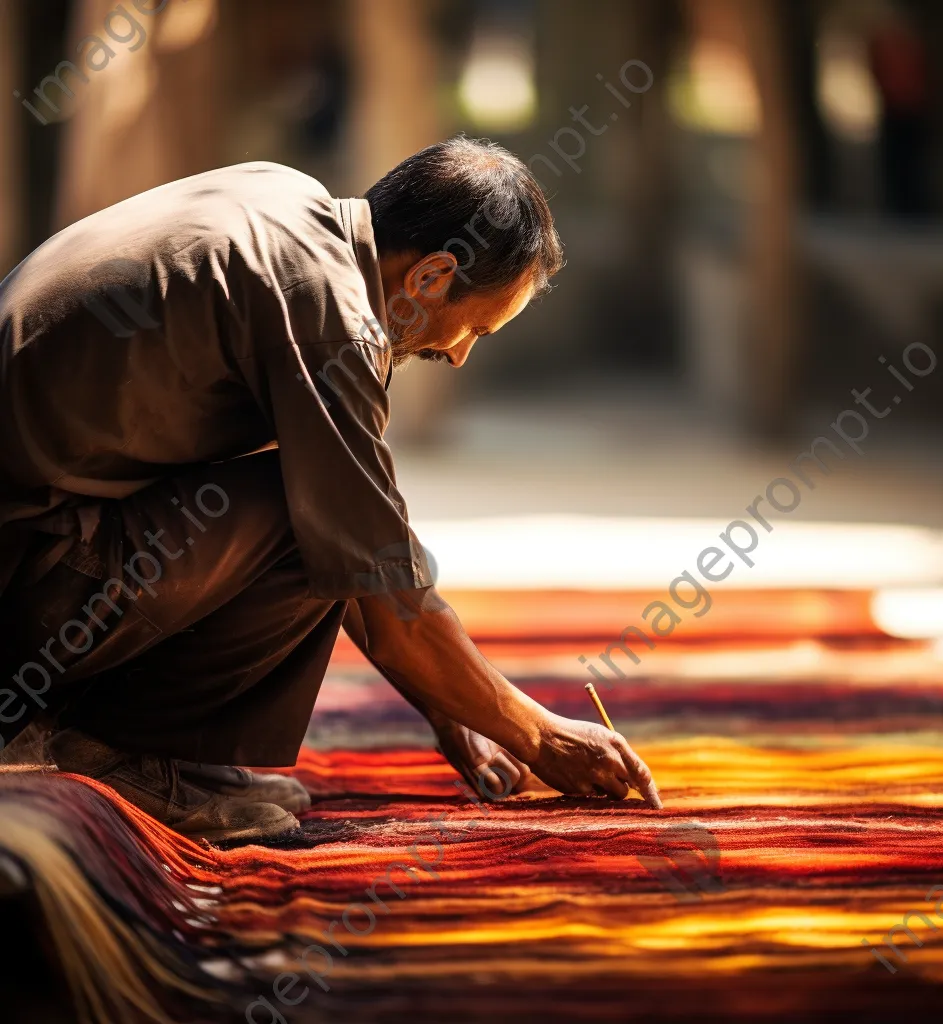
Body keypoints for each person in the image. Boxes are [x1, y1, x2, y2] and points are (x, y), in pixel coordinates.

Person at [0, 137, 660, 842]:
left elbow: (366, 546)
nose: (460, 355)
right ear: (433, 275)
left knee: (327, 510)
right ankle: (106, 752)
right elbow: (377, 581)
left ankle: (126, 741)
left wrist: (455, 710)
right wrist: (538, 734)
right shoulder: (330, 314)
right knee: (312, 516)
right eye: (474, 328)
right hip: (25, 579)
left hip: (37, 544)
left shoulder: (279, 197)